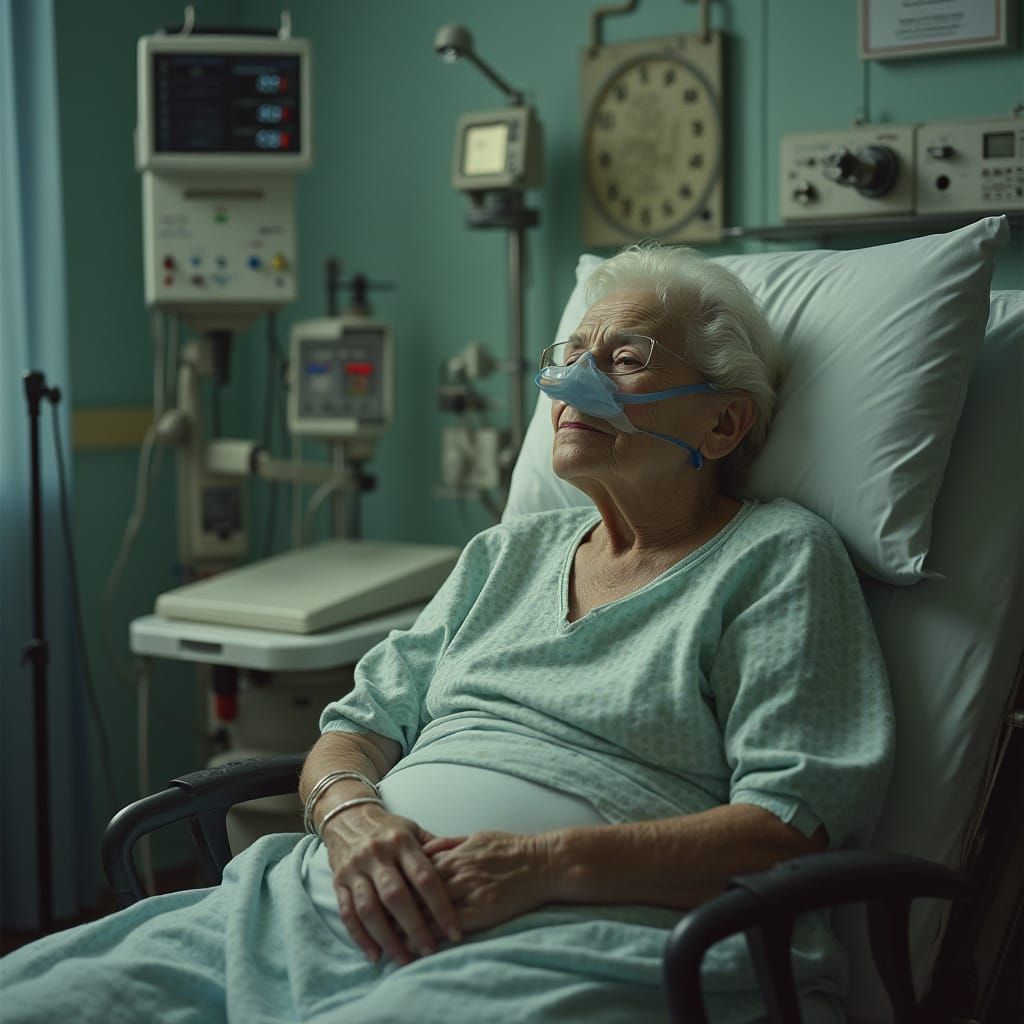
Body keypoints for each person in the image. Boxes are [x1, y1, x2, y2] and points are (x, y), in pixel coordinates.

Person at [2, 245, 894, 1024]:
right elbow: (352, 731)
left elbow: (788, 825)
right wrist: (351, 821)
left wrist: (541, 866)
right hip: (319, 900)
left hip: (575, 938)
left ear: (724, 419)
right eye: (570, 353)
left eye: (623, 358)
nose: (574, 381)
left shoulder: (776, 558)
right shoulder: (503, 555)